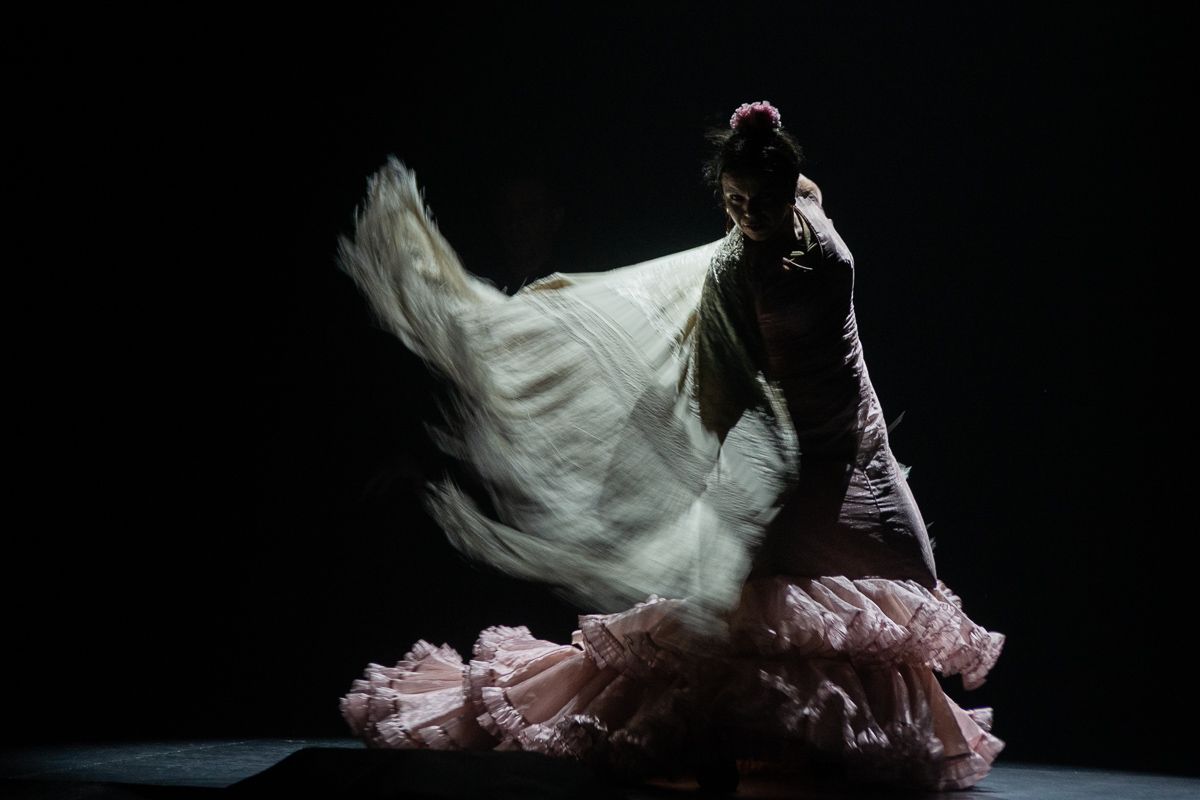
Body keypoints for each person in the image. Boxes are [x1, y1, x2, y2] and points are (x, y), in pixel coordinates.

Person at [336, 101, 1005, 792]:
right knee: (742, 608)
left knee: (908, 582)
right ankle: (720, 734)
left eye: (760, 199)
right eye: (734, 201)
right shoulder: (731, 269)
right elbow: (733, 384)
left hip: (853, 448)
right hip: (791, 456)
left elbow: (806, 199)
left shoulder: (814, 237)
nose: (746, 213)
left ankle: (816, 732)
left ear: (790, 190)